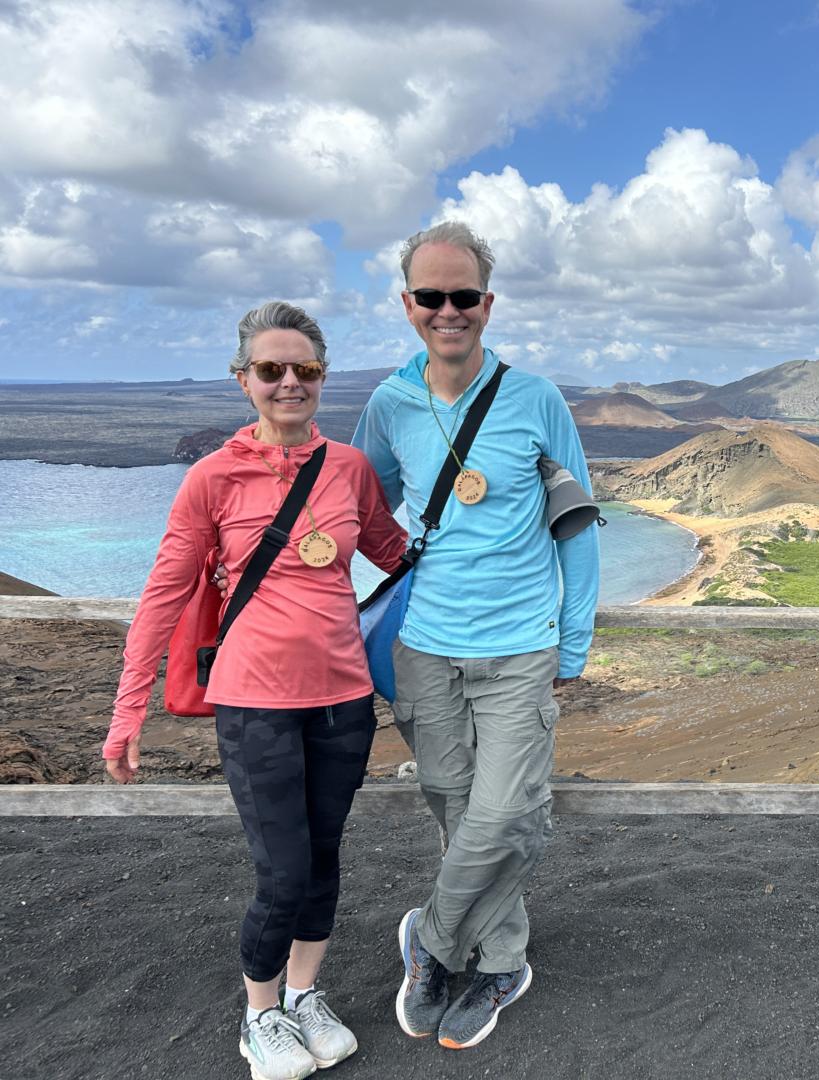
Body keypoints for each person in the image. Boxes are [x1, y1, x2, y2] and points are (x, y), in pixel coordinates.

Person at [103, 302, 410, 1080]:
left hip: (343, 700)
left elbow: (397, 554)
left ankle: (306, 996)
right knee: (282, 873)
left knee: (325, 857)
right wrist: (127, 710)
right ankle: (260, 1014)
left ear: (322, 378)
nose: (288, 383)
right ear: (244, 380)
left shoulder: (349, 470)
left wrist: (506, 544)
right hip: (255, 704)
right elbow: (164, 595)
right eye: (270, 370)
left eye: (304, 369)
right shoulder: (212, 477)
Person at [351, 221, 599, 1050]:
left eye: (464, 296)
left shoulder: (536, 399)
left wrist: (573, 639)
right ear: (408, 304)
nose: (448, 310)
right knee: (460, 815)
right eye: (432, 296)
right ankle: (501, 961)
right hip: (422, 651)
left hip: (519, 650)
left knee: (506, 815)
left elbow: (578, 527)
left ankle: (432, 939)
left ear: (487, 304)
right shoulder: (390, 403)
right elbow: (360, 508)